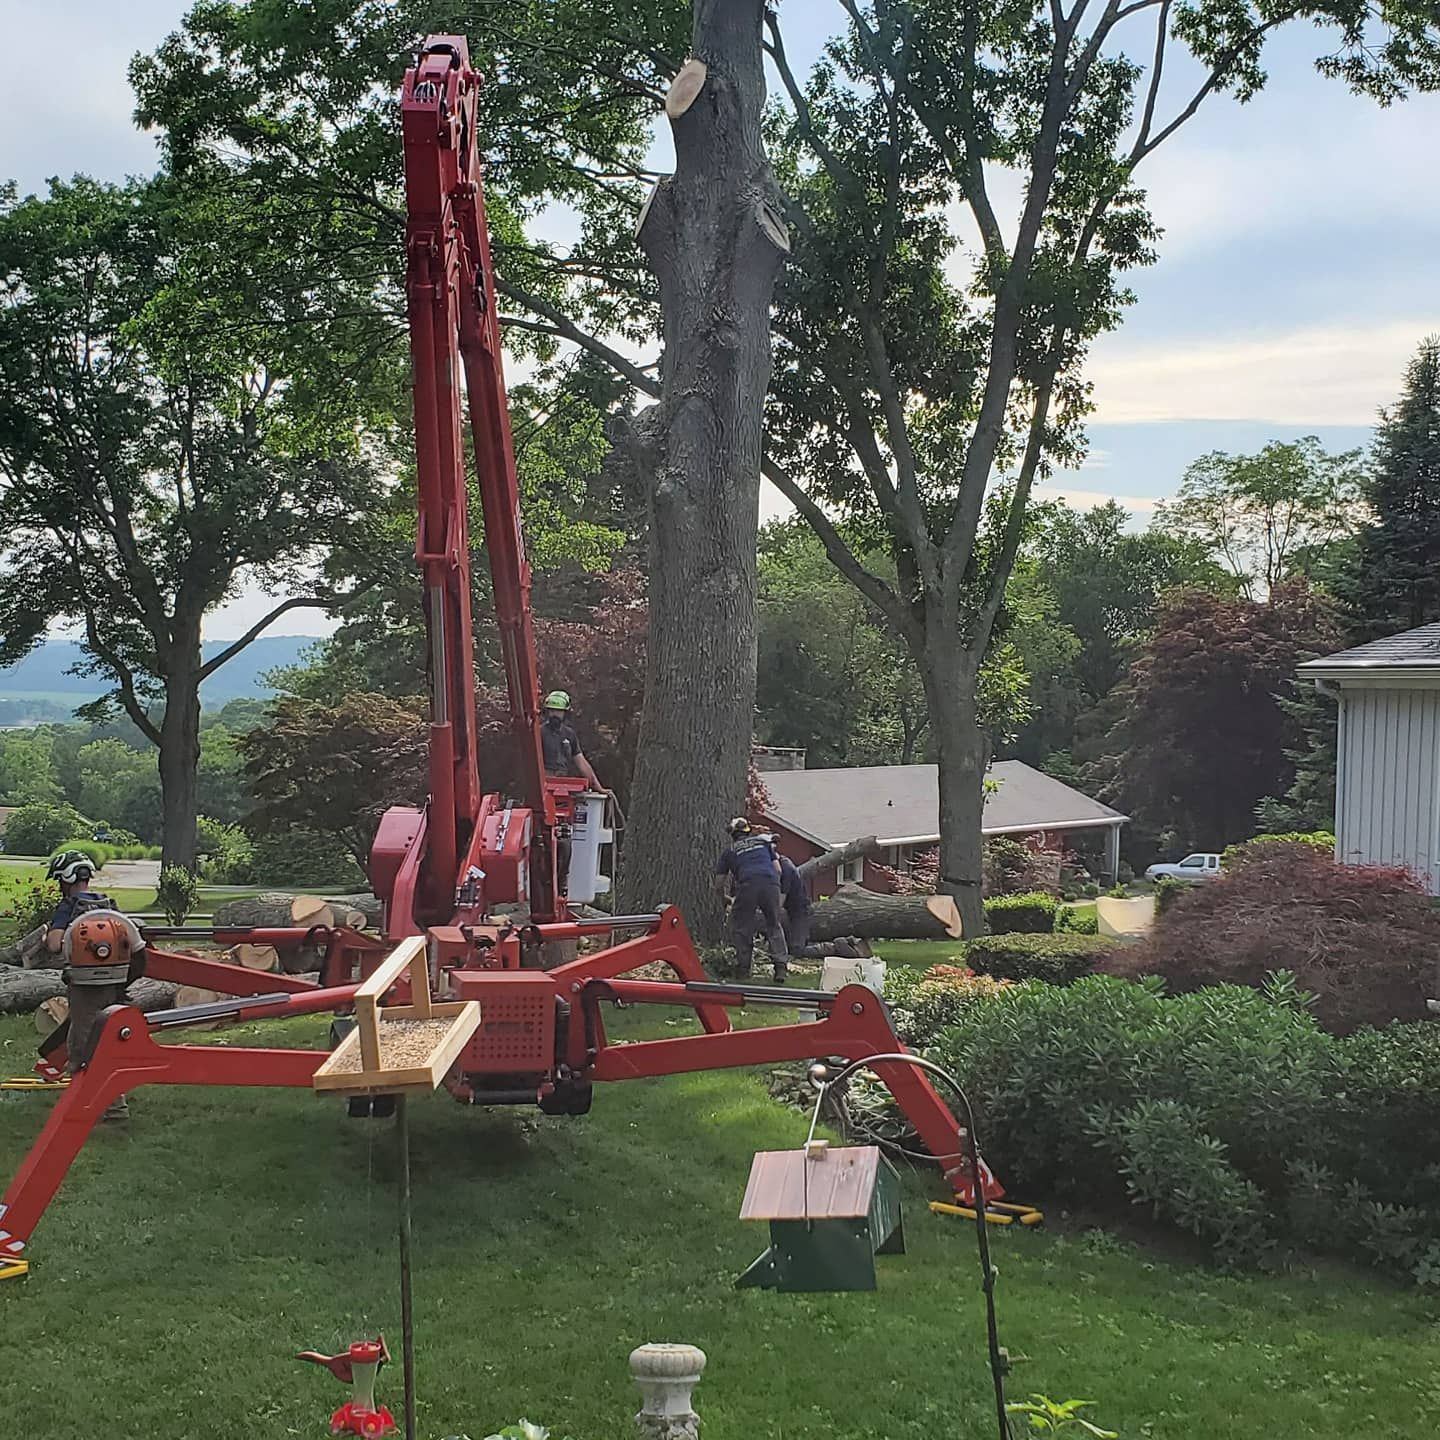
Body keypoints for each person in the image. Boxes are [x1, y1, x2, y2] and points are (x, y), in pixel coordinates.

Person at [44, 850, 142, 1122]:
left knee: (85, 1044)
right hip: (114, 984)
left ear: (67, 878)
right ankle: (87, 1100)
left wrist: (46, 937)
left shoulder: (70, 907)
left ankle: (112, 1110)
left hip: (85, 987)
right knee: (98, 1036)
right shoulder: (106, 904)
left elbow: (54, 944)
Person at [714, 818, 789, 984]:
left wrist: (723, 898)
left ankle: (743, 969)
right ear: (748, 831)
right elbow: (778, 869)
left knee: (741, 926)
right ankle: (780, 968)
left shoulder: (729, 852)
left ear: (732, 835)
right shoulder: (763, 843)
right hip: (771, 883)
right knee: (774, 924)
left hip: (747, 884)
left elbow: (719, 883)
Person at [540, 690, 606, 791]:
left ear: (565, 713)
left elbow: (582, 763)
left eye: (558, 711)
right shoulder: (539, 732)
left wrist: (598, 787)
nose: (555, 714)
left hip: (563, 784)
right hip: (544, 785)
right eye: (552, 711)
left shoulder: (569, 734)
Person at [778, 854, 813, 957]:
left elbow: (781, 899)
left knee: (797, 950)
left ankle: (832, 947)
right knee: (790, 946)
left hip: (800, 909)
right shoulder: (777, 865)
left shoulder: (786, 868)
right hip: (788, 909)